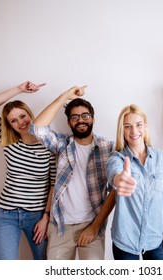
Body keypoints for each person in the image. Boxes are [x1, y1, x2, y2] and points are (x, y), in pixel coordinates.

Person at [30, 85, 115, 260]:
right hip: (60, 226)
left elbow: (114, 192)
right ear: (69, 122)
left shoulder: (108, 148)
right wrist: (65, 95)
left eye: (85, 115)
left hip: (91, 225)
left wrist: (94, 227)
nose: (80, 120)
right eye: (74, 117)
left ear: (93, 119)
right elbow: (37, 128)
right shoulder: (61, 144)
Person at [0, 81, 56, 260]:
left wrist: (46, 217)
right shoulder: (8, 140)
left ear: (30, 115)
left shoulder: (50, 143)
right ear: (10, 125)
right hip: (5, 215)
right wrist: (19, 90)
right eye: (13, 120)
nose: (20, 122)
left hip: (37, 216)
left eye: (22, 116)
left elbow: (54, 184)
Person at [106, 104, 163, 260]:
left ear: (145, 127)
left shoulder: (160, 157)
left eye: (138, 125)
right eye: (127, 126)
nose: (134, 131)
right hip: (125, 240)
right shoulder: (116, 158)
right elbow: (114, 172)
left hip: (155, 239)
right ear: (122, 130)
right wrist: (119, 179)